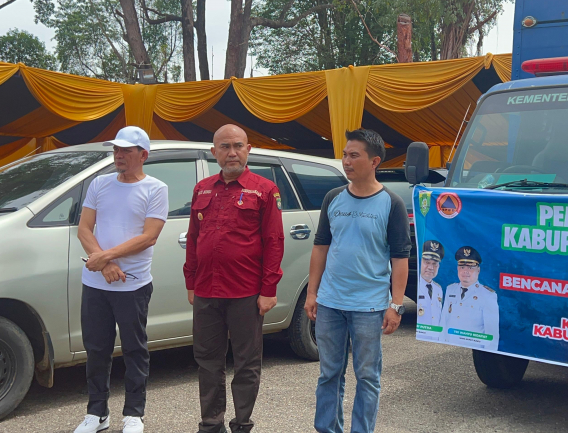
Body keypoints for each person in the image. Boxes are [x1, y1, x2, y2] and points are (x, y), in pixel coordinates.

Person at [305, 129, 411, 433]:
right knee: (329, 374)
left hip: (369, 307)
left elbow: (400, 258)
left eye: (354, 155)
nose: (346, 161)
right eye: (344, 155)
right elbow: (321, 247)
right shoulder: (333, 198)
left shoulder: (391, 203)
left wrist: (396, 305)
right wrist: (312, 293)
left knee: (367, 376)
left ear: (374, 161)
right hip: (330, 303)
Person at [183, 124, 285, 433]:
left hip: (246, 292)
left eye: (238, 146)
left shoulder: (264, 189)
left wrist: (269, 289)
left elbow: (274, 241)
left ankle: (242, 424)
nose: (232, 153)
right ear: (214, 152)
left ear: (248, 149)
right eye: (225, 147)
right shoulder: (202, 188)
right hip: (206, 290)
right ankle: (211, 424)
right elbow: (193, 238)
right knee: (207, 360)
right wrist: (191, 282)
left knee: (246, 363)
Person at [73, 126, 169, 433]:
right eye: (116, 150)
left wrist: (104, 257)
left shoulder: (156, 189)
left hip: (133, 284)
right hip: (96, 283)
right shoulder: (99, 183)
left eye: (126, 150)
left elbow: (149, 236)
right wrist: (105, 264)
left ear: (143, 155)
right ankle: (96, 413)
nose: (119, 155)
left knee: (134, 349)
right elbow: (84, 229)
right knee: (96, 349)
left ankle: (134, 414)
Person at [440, 246, 499, 351]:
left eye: (470, 267)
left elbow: (492, 333)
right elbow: (444, 320)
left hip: (473, 350)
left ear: (478, 270)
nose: (465, 271)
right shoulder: (450, 289)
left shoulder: (488, 295)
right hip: (449, 348)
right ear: (457, 268)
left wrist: (488, 353)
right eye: (462, 267)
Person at [416, 240, 445, 342]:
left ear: (438, 266)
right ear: (420, 262)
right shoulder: (415, 285)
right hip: (417, 340)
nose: (430, 267)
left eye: (434, 264)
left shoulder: (438, 289)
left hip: (434, 340)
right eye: (427, 262)